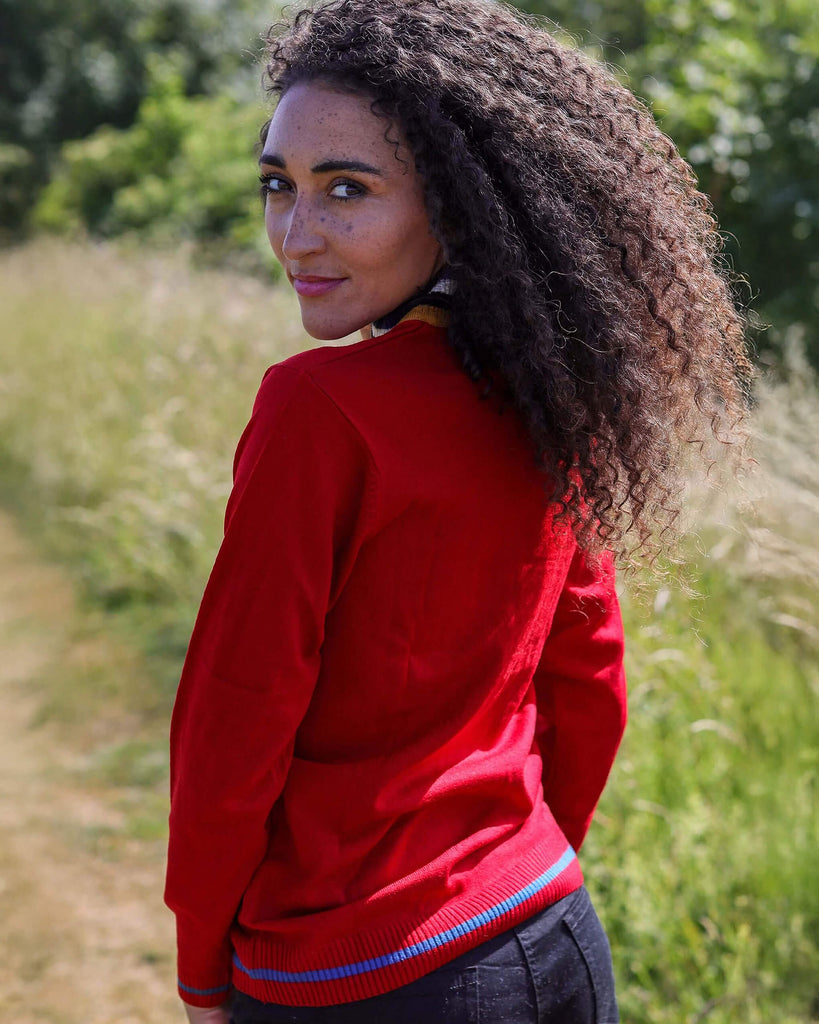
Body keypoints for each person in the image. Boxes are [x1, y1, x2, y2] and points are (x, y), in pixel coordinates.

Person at [164, 1, 753, 1021]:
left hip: (357, 973)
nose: (295, 234)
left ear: (461, 200)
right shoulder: (551, 390)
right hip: (550, 927)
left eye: (346, 189)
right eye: (278, 186)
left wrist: (202, 965)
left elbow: (234, 717)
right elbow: (592, 679)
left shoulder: (320, 409)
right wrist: (515, 865)